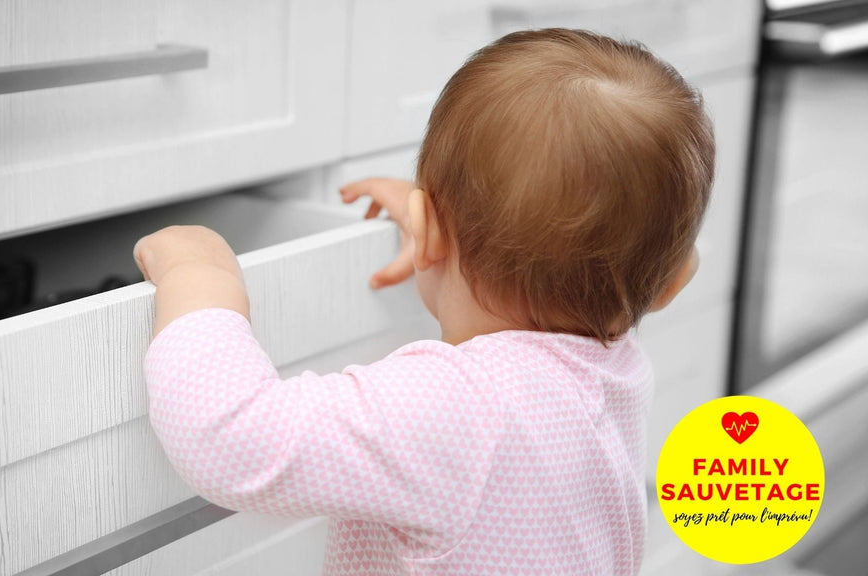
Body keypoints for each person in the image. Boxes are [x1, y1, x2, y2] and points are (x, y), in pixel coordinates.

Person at [134, 28, 714, 575]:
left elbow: (232, 442)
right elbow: (610, 247)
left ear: (428, 232)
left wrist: (202, 279)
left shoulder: (456, 407)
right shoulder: (614, 366)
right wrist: (445, 221)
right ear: (670, 284)